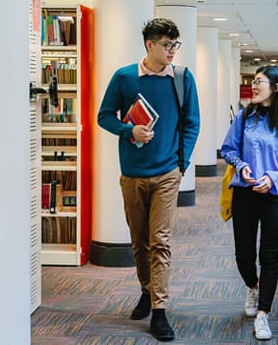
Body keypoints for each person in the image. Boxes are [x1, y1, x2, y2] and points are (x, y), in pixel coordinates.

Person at [96, 18, 200, 342]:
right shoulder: (125, 77)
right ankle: (147, 290)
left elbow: (191, 123)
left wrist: (180, 164)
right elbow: (104, 117)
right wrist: (130, 131)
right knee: (139, 242)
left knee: (161, 242)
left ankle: (159, 311)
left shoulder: (182, 79)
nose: (172, 51)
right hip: (132, 175)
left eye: (175, 45)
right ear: (149, 45)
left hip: (167, 173)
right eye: (167, 45)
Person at [220, 65, 278, 341]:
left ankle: (263, 314)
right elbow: (229, 149)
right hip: (244, 192)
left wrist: (275, 176)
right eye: (253, 82)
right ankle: (252, 286)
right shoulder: (245, 118)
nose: (254, 87)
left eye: (259, 82)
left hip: (275, 196)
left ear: (276, 88)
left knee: (268, 256)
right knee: (243, 254)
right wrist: (241, 165)